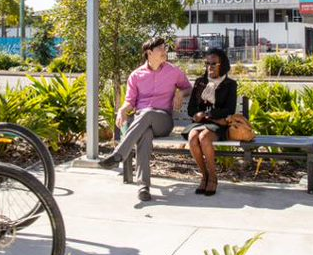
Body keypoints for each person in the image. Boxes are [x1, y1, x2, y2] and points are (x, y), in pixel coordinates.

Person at [100, 36, 191, 202]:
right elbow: (130, 101)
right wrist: (122, 110)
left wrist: (180, 93)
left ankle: (119, 154)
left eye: (165, 48)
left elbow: (188, 87)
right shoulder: (136, 75)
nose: (165, 52)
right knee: (145, 135)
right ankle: (143, 187)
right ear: (149, 53)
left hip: (163, 121)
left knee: (147, 114)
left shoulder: (173, 71)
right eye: (161, 49)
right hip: (142, 122)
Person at [185, 48, 237, 197]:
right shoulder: (200, 82)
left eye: (213, 64)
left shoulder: (229, 84)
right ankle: (204, 175)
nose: (210, 67)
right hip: (201, 122)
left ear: (223, 64)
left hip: (219, 123)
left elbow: (230, 109)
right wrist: (196, 114)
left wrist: (208, 114)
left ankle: (213, 177)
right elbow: (191, 108)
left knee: (203, 138)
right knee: (193, 137)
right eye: (207, 63)